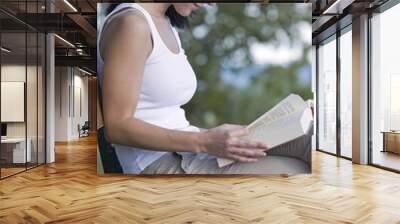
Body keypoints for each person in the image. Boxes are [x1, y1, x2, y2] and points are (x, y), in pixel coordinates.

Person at [97, 3, 312, 174]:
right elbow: (117, 127)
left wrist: (238, 133)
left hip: (188, 147)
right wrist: (205, 142)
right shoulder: (131, 24)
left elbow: (169, 119)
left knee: (308, 137)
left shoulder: (166, 23)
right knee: (295, 170)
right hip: (158, 162)